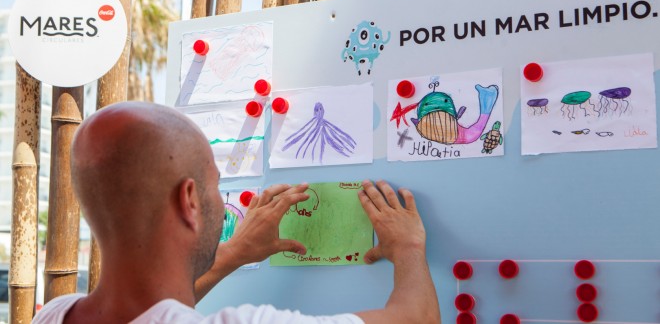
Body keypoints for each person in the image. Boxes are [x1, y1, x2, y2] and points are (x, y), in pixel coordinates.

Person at [32, 102, 440, 324]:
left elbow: (157, 309)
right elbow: (416, 319)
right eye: (216, 185)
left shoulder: (54, 314)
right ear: (189, 201)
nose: (221, 197)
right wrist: (407, 246)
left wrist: (236, 251)